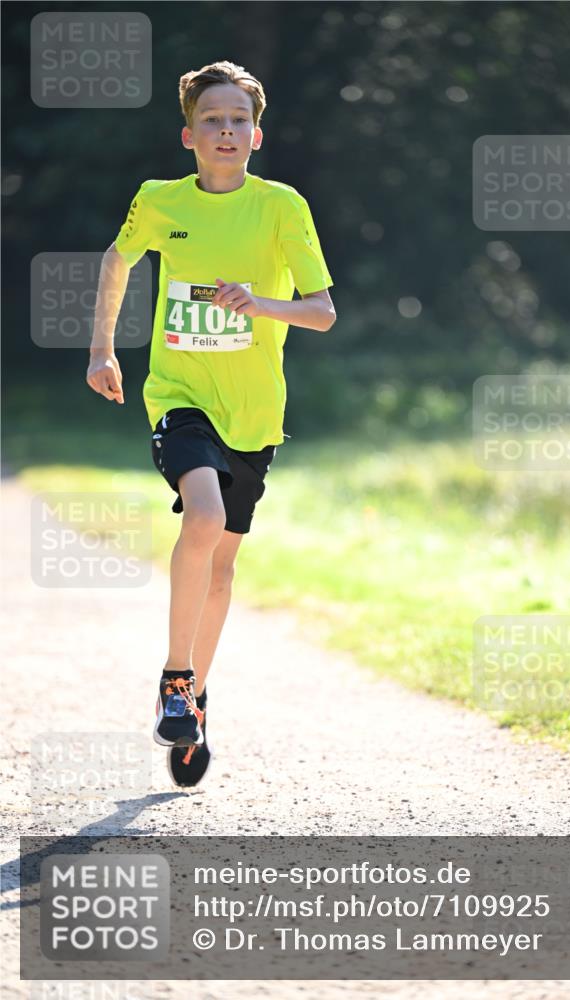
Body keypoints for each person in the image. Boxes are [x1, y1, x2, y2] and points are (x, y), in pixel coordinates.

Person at [86, 60, 335, 789]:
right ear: (188, 136)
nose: (225, 131)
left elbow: (322, 312)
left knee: (222, 568)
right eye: (211, 120)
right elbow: (116, 261)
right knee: (203, 515)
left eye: (238, 120)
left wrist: (260, 304)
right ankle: (174, 678)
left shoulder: (282, 207)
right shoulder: (158, 200)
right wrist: (102, 349)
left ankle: (195, 698)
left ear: (256, 136)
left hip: (253, 413)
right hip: (179, 394)